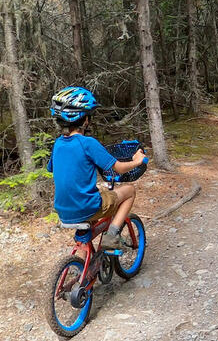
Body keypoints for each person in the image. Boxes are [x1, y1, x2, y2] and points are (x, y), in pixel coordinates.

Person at [47, 86, 147, 250]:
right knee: (129, 191)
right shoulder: (88, 143)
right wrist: (137, 160)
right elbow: (119, 169)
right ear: (85, 120)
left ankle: (81, 269)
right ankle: (111, 235)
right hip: (87, 206)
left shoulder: (58, 144)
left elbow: (58, 170)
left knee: (85, 235)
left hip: (63, 209)